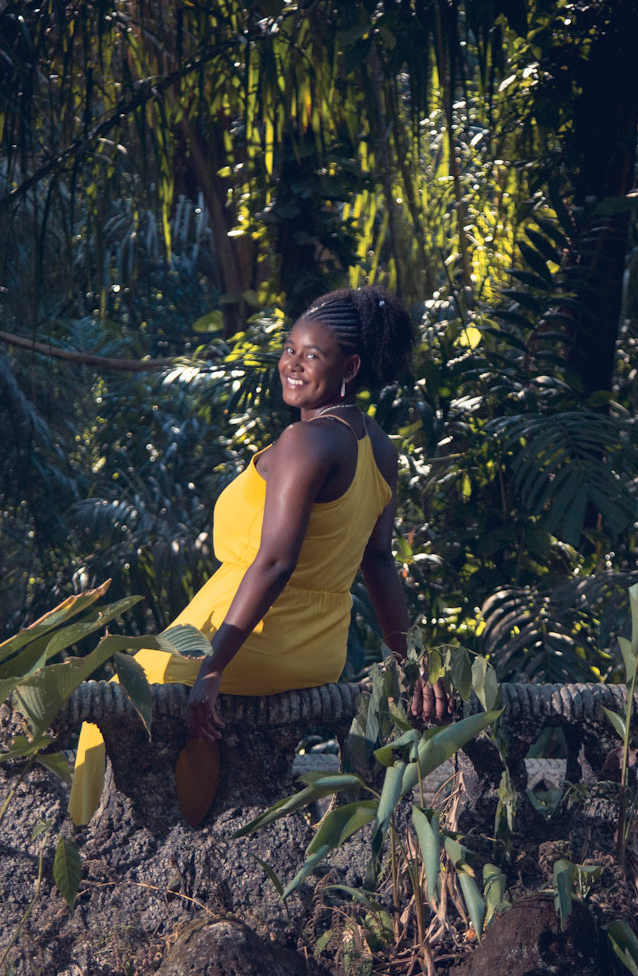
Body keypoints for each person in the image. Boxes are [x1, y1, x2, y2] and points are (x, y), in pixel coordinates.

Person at [136, 284, 451, 741]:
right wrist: (411, 666)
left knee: (129, 690)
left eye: (312, 355)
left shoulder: (306, 441)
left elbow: (275, 562)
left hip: (256, 641)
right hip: (318, 652)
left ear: (350, 367)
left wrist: (212, 668)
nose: (292, 364)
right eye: (289, 350)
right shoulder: (380, 447)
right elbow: (379, 561)